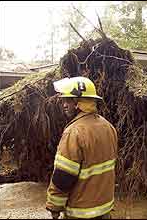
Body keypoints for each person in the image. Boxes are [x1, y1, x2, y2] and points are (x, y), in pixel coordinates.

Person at [46, 76, 118, 219]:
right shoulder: (108, 127)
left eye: (68, 100)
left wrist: (54, 205)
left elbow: (63, 176)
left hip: (81, 212)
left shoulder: (74, 132)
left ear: (79, 103)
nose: (64, 105)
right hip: (105, 209)